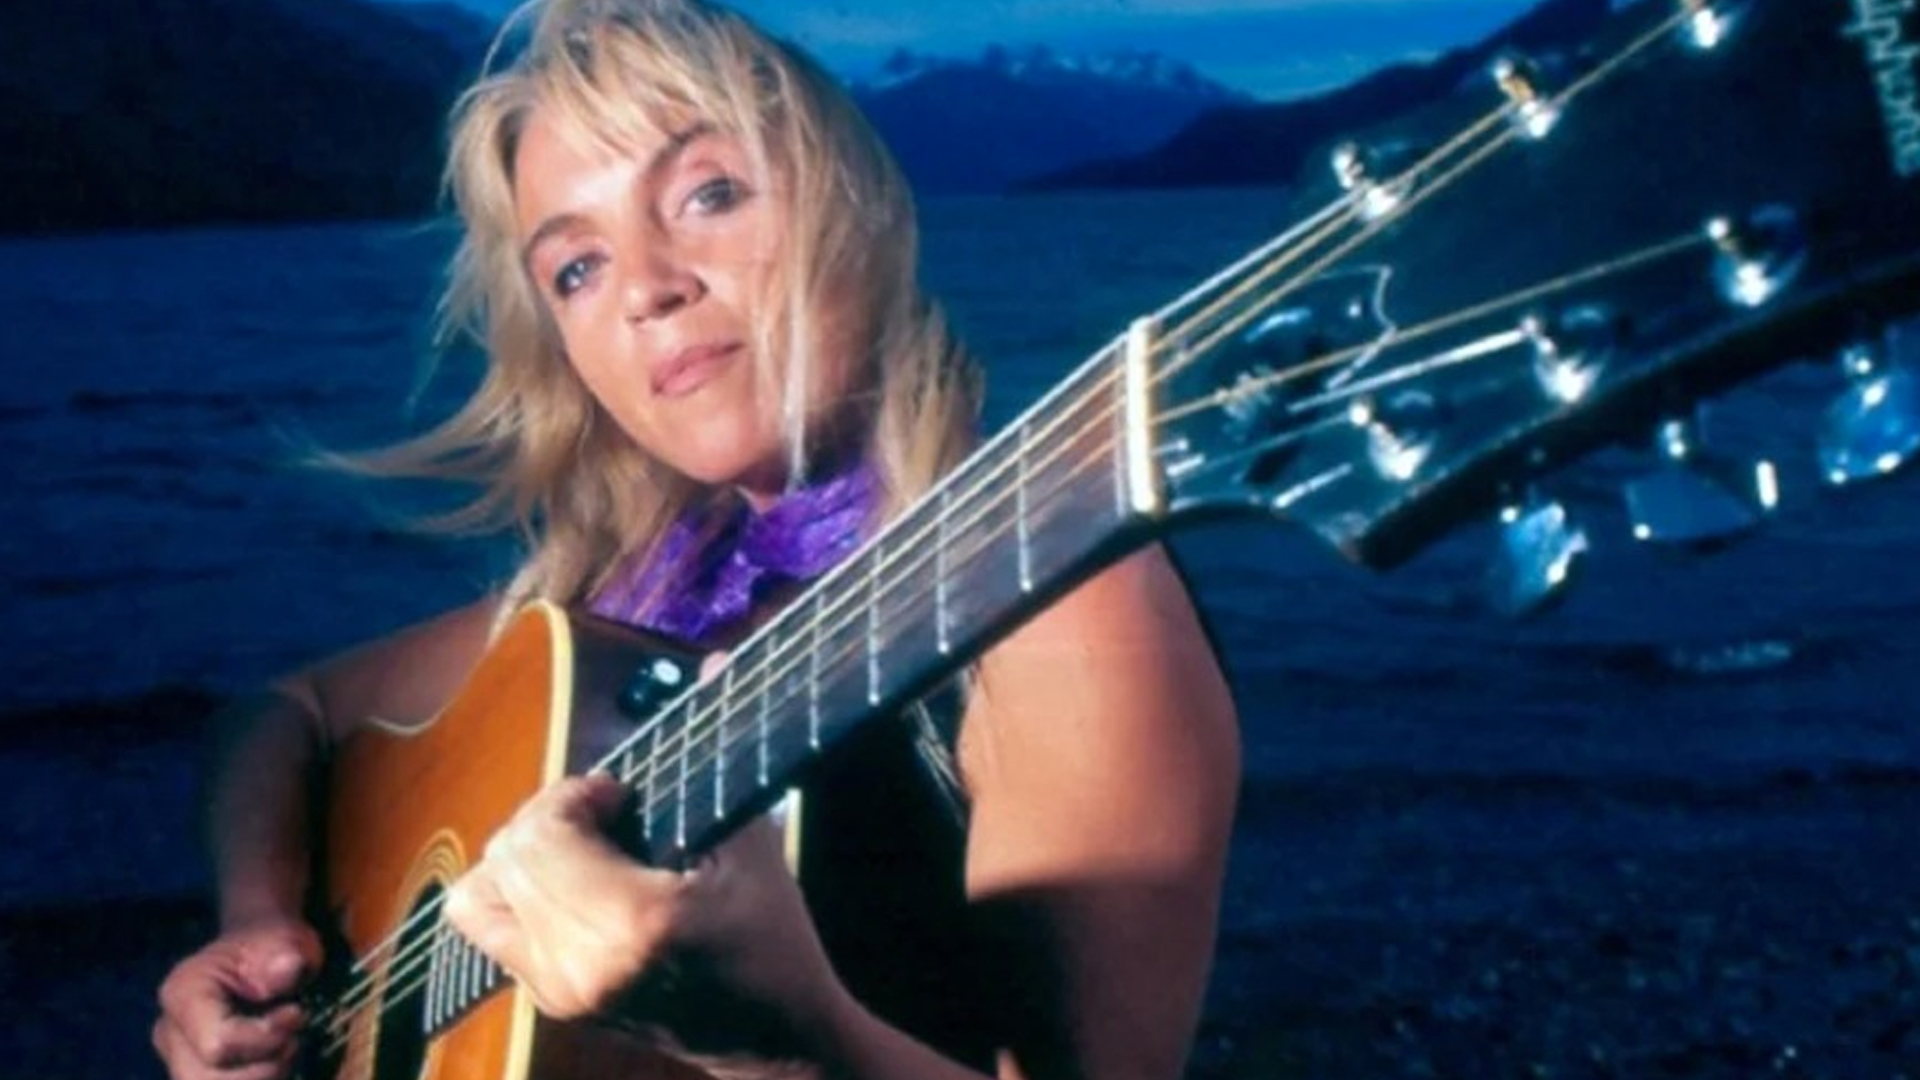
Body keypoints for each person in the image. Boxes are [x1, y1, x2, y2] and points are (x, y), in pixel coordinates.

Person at [150, 1, 1241, 1077]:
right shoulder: (604, 620)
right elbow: (284, 712)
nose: (646, 288)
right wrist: (259, 925)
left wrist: (776, 1043)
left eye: (708, 193)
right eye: (576, 268)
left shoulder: (1053, 580)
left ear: (852, 206)